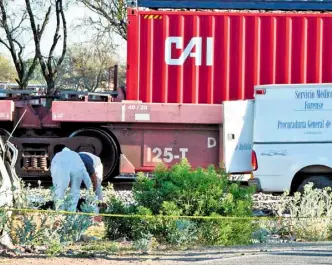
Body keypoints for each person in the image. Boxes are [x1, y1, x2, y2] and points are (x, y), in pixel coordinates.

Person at [50, 145, 92, 212]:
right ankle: (71, 214)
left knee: (60, 193)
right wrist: (90, 188)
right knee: (75, 193)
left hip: (62, 173)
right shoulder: (75, 154)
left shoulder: (57, 156)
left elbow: (54, 173)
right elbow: (84, 172)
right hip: (77, 173)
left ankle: (60, 213)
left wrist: (55, 187)